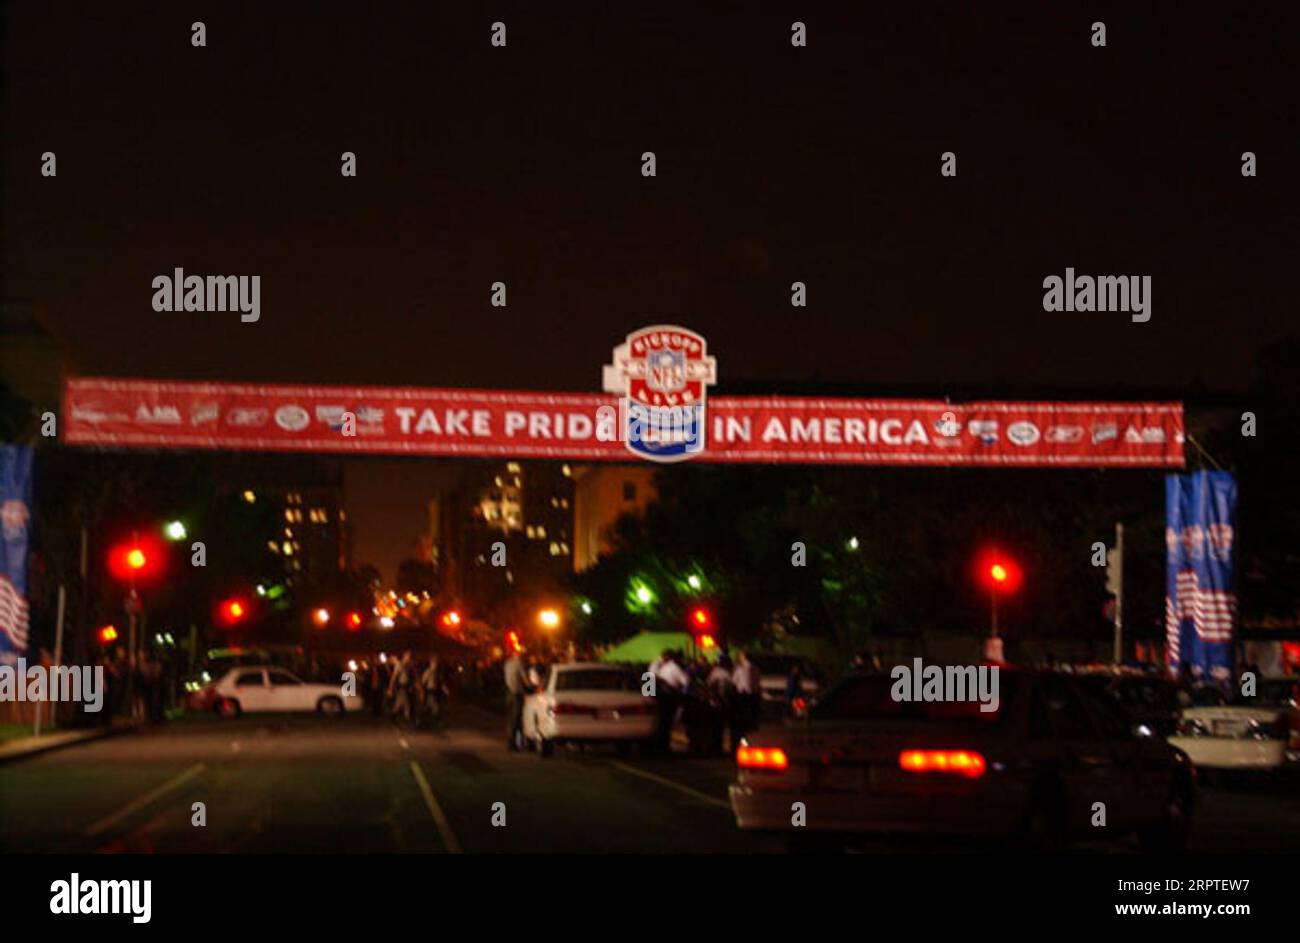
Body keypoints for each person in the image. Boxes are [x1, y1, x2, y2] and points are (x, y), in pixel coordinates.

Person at [651, 650, 691, 754]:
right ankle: (663, 746)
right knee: (665, 723)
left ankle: (662, 746)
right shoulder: (670, 667)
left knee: (663, 723)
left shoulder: (668, 667)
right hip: (667, 696)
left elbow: (685, 681)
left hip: (664, 696)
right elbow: (685, 681)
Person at [503, 649, 533, 750]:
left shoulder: (507, 664)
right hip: (517, 694)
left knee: (510, 719)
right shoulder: (519, 664)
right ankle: (514, 744)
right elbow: (525, 679)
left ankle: (513, 742)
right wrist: (532, 686)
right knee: (517, 719)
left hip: (508, 693)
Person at [732, 651, 762, 742]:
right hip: (753, 696)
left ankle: (743, 740)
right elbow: (758, 681)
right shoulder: (756, 669)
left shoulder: (740, 669)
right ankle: (751, 740)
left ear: (744, 657)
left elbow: (734, 681)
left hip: (743, 696)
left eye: (741, 656)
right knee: (751, 721)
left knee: (742, 722)